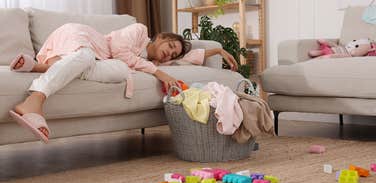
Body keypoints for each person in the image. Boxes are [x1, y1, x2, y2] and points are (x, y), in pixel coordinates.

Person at [8, 23, 238, 143]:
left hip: (84, 58)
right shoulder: (139, 31)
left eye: (173, 55)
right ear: (160, 38)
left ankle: (37, 67)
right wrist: (159, 73)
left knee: (118, 71)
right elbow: (118, 50)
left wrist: (217, 49)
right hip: (82, 38)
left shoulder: (150, 60)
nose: (170, 55)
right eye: (169, 47)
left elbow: (189, 57)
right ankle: (34, 100)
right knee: (91, 58)